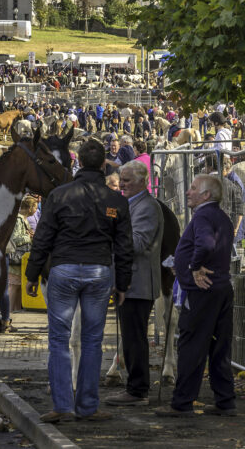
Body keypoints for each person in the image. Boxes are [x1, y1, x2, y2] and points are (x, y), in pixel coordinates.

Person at [25, 139, 133, 424]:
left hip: (64, 269)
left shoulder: (59, 195)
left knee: (58, 339)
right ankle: (87, 405)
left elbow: (43, 237)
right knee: (92, 340)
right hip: (98, 271)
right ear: (103, 164)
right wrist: (122, 284)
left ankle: (62, 404)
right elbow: (124, 248)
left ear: (79, 163)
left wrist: (32, 275)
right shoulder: (116, 201)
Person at [155, 174, 236, 418]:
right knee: (219, 347)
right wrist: (181, 264)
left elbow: (206, 244)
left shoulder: (202, 216)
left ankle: (182, 403)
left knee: (191, 346)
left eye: (192, 188)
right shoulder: (222, 216)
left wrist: (191, 267)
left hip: (202, 291)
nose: (188, 192)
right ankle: (225, 401)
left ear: (206, 195)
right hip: (221, 287)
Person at [106, 160, 163, 406]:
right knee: (130, 336)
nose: (122, 184)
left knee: (135, 337)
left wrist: (110, 233)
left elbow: (138, 244)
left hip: (138, 283)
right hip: (127, 281)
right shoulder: (129, 204)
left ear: (143, 182)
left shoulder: (148, 207)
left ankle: (138, 390)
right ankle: (135, 387)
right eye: (122, 179)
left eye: (127, 180)